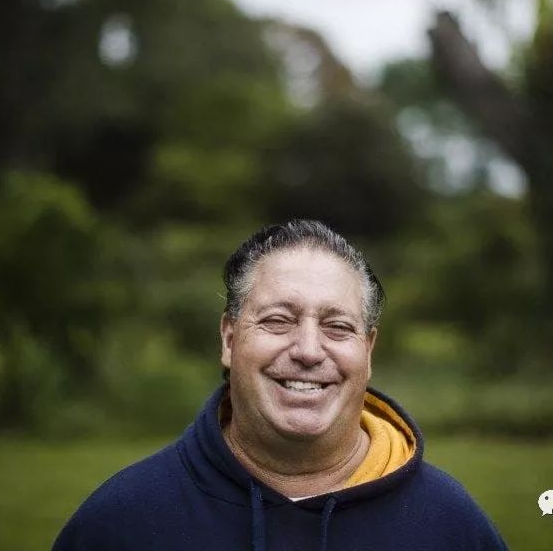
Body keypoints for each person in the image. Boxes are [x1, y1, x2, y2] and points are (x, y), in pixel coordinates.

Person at [53, 220, 509, 550]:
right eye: (277, 320)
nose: (308, 350)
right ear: (229, 339)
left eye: (337, 327)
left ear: (368, 351)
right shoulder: (121, 523)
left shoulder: (451, 527)